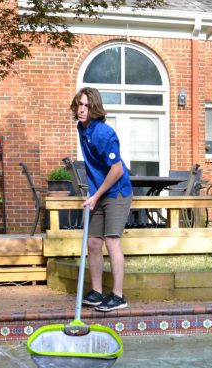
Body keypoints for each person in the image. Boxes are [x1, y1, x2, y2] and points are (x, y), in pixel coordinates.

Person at [70, 87, 133, 312]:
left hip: (116, 192)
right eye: (79, 104)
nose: (82, 109)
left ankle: (118, 295)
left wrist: (95, 195)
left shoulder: (104, 133)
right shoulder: (81, 128)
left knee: (111, 240)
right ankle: (96, 292)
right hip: (99, 192)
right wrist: (95, 193)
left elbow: (116, 170)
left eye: (87, 105)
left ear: (95, 107)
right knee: (93, 242)